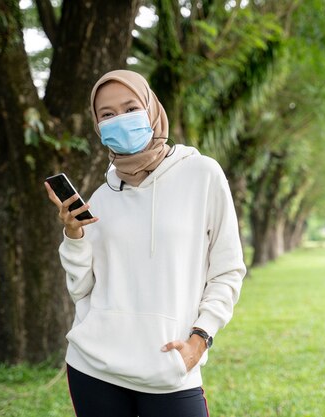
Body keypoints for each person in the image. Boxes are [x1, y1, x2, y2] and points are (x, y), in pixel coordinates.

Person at [44, 69, 246, 417]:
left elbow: (228, 270)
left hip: (170, 369)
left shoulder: (202, 174)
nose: (119, 119)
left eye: (130, 108)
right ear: (97, 124)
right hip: (94, 367)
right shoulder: (101, 198)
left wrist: (201, 338)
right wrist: (74, 236)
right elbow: (81, 289)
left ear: (152, 110)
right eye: (107, 114)